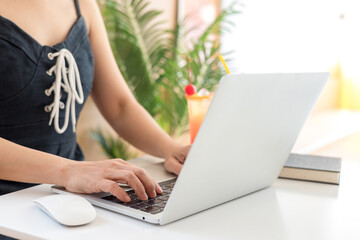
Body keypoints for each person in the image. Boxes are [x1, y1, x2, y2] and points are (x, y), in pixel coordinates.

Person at [0, 0, 190, 203]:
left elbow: (120, 106)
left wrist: (171, 149)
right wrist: (68, 171)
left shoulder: (82, 5)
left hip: (67, 196)